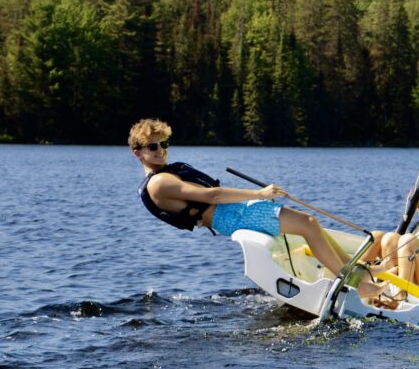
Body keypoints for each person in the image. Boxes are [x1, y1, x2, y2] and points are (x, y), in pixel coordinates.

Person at [129, 118, 381, 298]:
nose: (161, 151)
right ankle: (356, 285)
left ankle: (357, 271)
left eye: (163, 144)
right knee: (308, 225)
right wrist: (260, 193)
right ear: (137, 152)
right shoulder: (160, 182)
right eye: (153, 146)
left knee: (310, 224)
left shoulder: (164, 174)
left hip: (231, 213)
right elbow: (212, 195)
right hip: (229, 216)